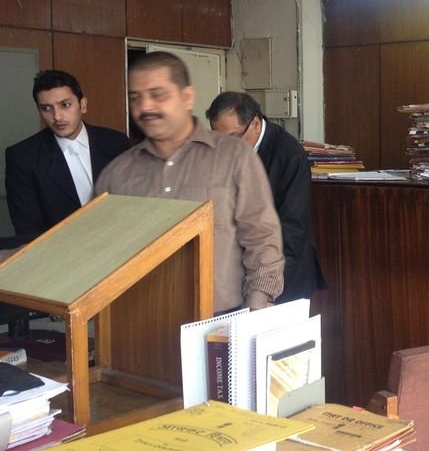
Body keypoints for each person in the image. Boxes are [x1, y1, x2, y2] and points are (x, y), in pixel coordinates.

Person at [95, 52, 284, 312]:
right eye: (136, 98)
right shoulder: (117, 174)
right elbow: (98, 253)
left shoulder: (233, 156)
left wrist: (257, 305)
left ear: (187, 97)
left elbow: (261, 236)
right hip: (140, 321)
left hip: (221, 319)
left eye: (158, 95)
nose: (146, 107)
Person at [206, 91, 325, 304]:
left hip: (285, 276)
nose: (225, 146)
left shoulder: (289, 154)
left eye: (233, 138)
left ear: (255, 124)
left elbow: (292, 228)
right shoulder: (222, 153)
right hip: (239, 274)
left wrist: (268, 287)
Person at [5, 70, 129, 242]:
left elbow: (132, 204)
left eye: (65, 105)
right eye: (46, 108)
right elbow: (28, 230)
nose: (57, 117)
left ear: (82, 105)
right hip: (59, 252)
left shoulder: (117, 143)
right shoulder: (22, 157)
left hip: (122, 243)